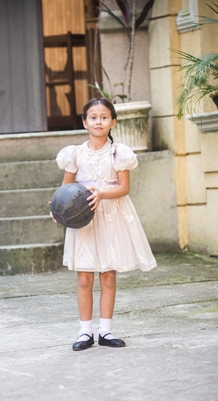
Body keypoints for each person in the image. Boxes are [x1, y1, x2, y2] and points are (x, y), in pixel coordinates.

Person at [53, 98, 157, 351]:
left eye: (103, 117)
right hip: (84, 219)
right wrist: (57, 204)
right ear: (84, 122)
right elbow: (66, 187)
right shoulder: (74, 154)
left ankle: (106, 331)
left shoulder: (118, 153)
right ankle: (85, 332)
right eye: (93, 117)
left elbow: (124, 188)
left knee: (108, 276)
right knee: (84, 277)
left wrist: (100, 193)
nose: (98, 121)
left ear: (113, 122)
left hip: (110, 215)